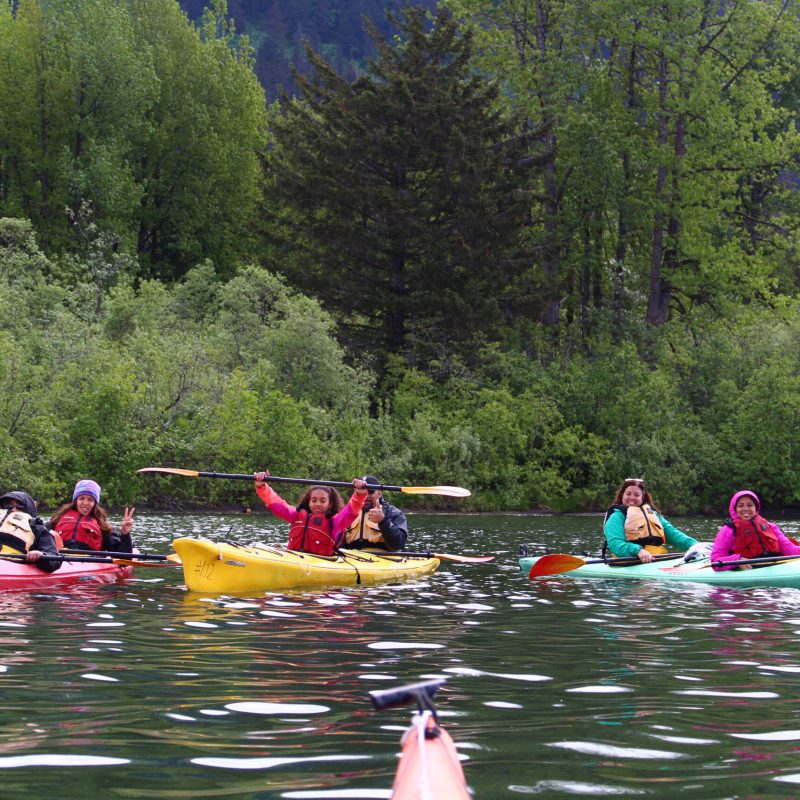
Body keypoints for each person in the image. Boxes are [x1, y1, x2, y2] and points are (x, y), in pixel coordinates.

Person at [253, 471, 368, 556]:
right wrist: (261, 486)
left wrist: (360, 494)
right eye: (314, 500)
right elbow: (275, 503)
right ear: (308, 502)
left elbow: (351, 510)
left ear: (330, 504)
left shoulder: (335, 522)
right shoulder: (295, 515)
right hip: (293, 556)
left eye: (323, 501)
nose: (317, 504)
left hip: (320, 562)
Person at [603, 478, 697, 563]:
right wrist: (638, 551)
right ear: (622, 495)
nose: (631, 498)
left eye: (636, 495)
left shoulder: (652, 513)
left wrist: (695, 545)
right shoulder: (616, 517)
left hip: (659, 559)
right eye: (628, 494)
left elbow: (672, 534)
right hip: (630, 562)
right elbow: (615, 545)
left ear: (642, 497)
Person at [710, 489, 800, 571]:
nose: (745, 509)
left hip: (775, 566)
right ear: (735, 509)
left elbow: (789, 549)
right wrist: (737, 560)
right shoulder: (728, 530)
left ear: (756, 508)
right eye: (740, 506)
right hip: (749, 572)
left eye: (750, 505)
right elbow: (715, 561)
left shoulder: (771, 527)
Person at [49, 479, 136, 553]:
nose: (85, 503)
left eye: (90, 500)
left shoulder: (102, 526)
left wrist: (125, 534)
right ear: (75, 500)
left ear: (95, 503)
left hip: (89, 562)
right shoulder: (57, 520)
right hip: (59, 559)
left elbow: (123, 560)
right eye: (81, 498)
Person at [342, 475, 408, 551]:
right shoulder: (347, 512)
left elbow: (399, 545)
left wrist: (383, 521)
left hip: (384, 558)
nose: (366, 496)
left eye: (370, 492)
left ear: (379, 494)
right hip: (350, 558)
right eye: (361, 492)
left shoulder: (393, 513)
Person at [0, 491, 61, 572]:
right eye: (8, 505)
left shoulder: (37, 528)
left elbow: (54, 559)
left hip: (14, 566)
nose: (14, 510)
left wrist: (40, 555)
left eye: (20, 506)